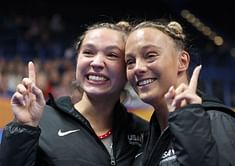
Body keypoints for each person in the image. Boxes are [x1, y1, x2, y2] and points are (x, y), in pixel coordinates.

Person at [0, 21, 149, 166]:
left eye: (111, 55)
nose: (96, 62)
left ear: (129, 66)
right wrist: (23, 129)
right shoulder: (40, 123)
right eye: (88, 52)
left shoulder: (145, 133)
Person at [125, 20, 235, 166]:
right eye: (130, 61)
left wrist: (189, 123)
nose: (138, 68)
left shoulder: (216, 119)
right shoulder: (146, 136)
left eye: (150, 55)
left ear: (182, 61)